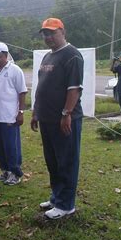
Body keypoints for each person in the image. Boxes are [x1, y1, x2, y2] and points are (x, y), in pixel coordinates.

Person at [30, 18, 84, 219]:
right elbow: (41, 86)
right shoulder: (47, 57)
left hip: (64, 119)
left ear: (63, 31)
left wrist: (66, 114)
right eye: (45, 33)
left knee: (66, 161)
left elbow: (74, 89)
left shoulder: (72, 56)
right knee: (52, 161)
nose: (48, 37)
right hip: (47, 118)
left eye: (52, 32)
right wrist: (36, 111)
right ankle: (56, 198)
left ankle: (66, 205)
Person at [0, 42, 27, 186]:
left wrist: (20, 112)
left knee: (11, 146)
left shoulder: (15, 70)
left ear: (5, 55)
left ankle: (16, 172)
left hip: (9, 115)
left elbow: (22, 92)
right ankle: (5, 170)